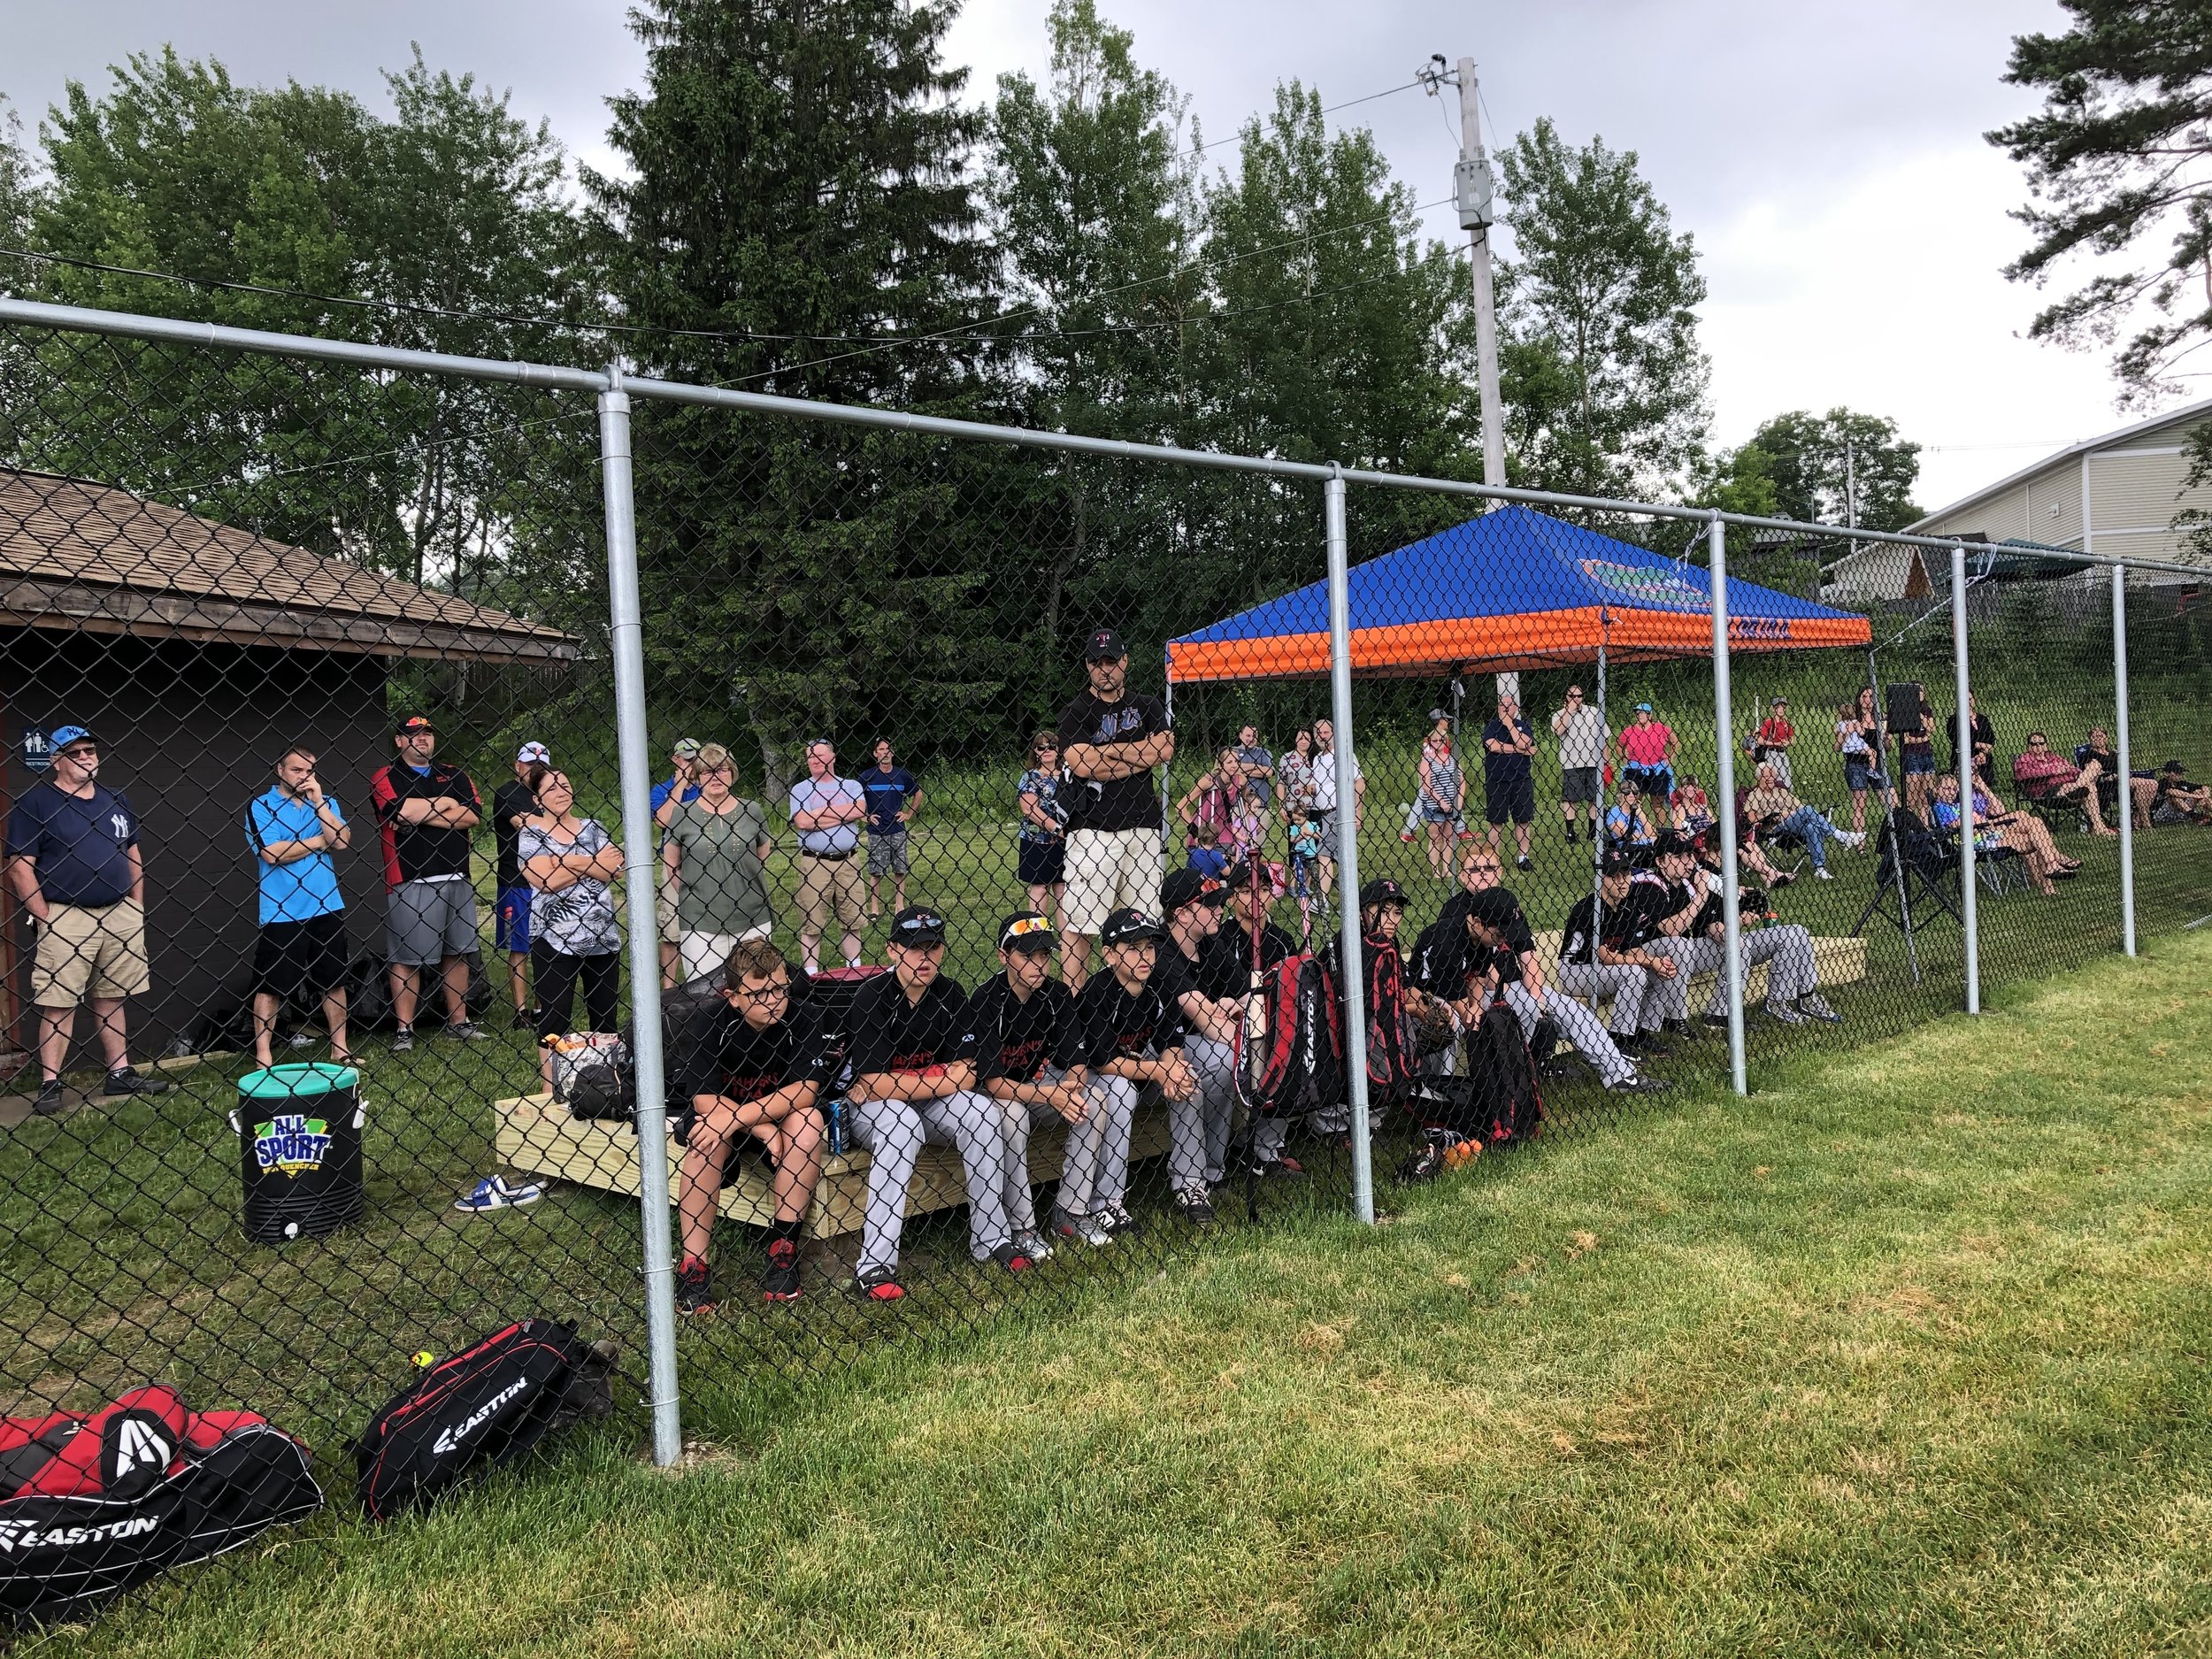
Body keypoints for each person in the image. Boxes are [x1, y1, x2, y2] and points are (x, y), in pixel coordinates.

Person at [845, 907, 1031, 1299]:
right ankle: (874, 1268)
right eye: (914, 948)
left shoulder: (950, 993)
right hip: (872, 1113)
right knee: (901, 1123)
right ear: (892, 950)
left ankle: (992, 1239)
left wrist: (902, 1083)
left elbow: (966, 1074)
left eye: (932, 948)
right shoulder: (870, 997)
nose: (924, 958)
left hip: (923, 1102)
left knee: (981, 1111)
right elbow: (870, 1085)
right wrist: (938, 1077)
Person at [4, 726, 174, 1116]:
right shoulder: (37, 804)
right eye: (75, 752)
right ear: (55, 761)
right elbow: (19, 867)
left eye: (90, 750)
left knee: (112, 996)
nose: (86, 757)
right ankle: (50, 1084)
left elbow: (133, 855)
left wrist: (136, 907)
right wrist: (46, 917)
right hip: (66, 914)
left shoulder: (117, 799)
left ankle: (120, 1073)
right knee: (59, 1001)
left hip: (118, 912)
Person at [1414, 853, 1667, 1095]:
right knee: (1480, 1016)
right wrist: (1486, 1003)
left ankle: (1618, 1074)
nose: (1483, 875)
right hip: (1470, 993)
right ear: (1462, 876)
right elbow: (1463, 976)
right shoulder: (1456, 913)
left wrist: (1538, 999)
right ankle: (1449, 1092)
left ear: (1500, 872)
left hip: (1505, 988)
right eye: (1474, 869)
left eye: (1489, 868)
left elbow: (1527, 959)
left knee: (1571, 1011)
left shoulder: (1508, 905)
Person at [672, 938, 830, 1314]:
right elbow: (706, 1101)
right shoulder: (709, 1019)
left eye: (780, 989)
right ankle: (694, 1266)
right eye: (759, 993)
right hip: (727, 1119)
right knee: (705, 1138)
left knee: (809, 1120)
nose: (773, 1000)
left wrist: (751, 1120)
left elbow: (803, 1092)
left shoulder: (804, 1016)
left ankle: (783, 1249)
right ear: (733, 997)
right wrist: (761, 1128)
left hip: (771, 1117)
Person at [1064, 907, 1194, 1241]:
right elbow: (1103, 1061)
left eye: (1149, 947)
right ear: (1108, 954)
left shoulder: (1161, 983)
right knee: (1121, 1092)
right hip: (1104, 1076)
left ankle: (1191, 1183)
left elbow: (1172, 1040)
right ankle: (1106, 1201)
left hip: (1146, 1069)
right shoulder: (1097, 991)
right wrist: (1163, 1070)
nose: (1144, 956)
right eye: (1132, 948)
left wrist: (1173, 1069)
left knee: (1189, 1080)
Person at [968, 912, 1087, 1266]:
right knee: (1013, 1115)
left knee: (1092, 1103)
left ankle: (1071, 1211)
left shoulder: (1057, 994)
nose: (1039, 964)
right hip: (996, 1095)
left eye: (1045, 956)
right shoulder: (987, 1000)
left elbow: (1076, 1059)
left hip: (1043, 1086)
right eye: (1027, 956)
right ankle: (1022, 1226)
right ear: (1003, 957)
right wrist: (1052, 1094)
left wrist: (1072, 1088)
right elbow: (993, 1083)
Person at [1058, 629, 1174, 989]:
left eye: (1111, 661)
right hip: (1092, 831)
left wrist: (1107, 752)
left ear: (1125, 661)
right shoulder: (1075, 711)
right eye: (1097, 663)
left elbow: (1165, 749)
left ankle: (1135, 1009)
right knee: (1081, 927)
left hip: (1143, 830)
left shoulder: (1149, 705)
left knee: (1143, 927)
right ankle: (1073, 1011)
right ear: (1088, 666)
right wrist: (1139, 753)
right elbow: (1081, 763)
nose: (1105, 669)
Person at [369, 716, 488, 1054]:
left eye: (427, 734)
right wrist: (447, 803)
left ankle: (459, 1022)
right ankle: (405, 1030)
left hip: (456, 875)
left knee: (459, 951)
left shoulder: (455, 773)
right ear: (399, 741)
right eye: (414, 735)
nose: (422, 739)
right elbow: (397, 812)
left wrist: (421, 812)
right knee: (407, 958)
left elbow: (473, 815)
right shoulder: (386, 775)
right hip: (410, 876)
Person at [1640, 834, 1840, 1028]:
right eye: (1678, 857)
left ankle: (1799, 997)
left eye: (1689, 855)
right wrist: (1725, 914)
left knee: (1797, 932)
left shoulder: (1700, 880)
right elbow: (1680, 928)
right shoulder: (1659, 884)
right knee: (1729, 944)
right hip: (1658, 953)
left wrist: (1742, 917)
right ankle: (1701, 1016)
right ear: (1661, 861)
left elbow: (1716, 923)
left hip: (1698, 948)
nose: (1687, 861)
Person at [244, 747, 354, 1071]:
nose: (304, 776)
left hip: (327, 905)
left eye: (310, 770)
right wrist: (319, 841)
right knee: (270, 985)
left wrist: (319, 802)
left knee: (333, 980)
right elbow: (273, 853)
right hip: (282, 911)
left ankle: (340, 1049)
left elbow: (343, 840)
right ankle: (264, 1056)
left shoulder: (326, 802)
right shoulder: (262, 806)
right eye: (297, 770)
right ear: (280, 770)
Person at [1152, 870, 1243, 1223]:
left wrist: (1233, 1007)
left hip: (1199, 1040)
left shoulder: (1208, 941)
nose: (1219, 910)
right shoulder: (1161, 950)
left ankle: (1213, 1170)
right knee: (1213, 1063)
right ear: (1182, 913)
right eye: (1208, 905)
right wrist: (1227, 1015)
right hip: (1157, 1047)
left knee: (1225, 1061)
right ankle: (1190, 1179)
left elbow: (1246, 991)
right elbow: (1204, 1018)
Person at [520, 769, 625, 1070]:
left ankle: (607, 1084)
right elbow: (545, 880)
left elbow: (614, 870)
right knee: (555, 1017)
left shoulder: (594, 827)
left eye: (565, 785)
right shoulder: (531, 835)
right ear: (537, 798)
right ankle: (550, 1090)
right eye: (551, 789)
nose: (560, 792)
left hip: (602, 938)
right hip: (553, 939)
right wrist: (593, 862)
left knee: (606, 1018)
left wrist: (565, 860)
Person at [664, 743, 774, 985]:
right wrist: (696, 892)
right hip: (700, 919)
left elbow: (762, 852)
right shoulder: (682, 813)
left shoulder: (751, 810)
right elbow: (672, 863)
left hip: (752, 914)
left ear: (732, 773)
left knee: (755, 986)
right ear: (698, 776)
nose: (715, 776)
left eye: (722, 769)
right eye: (707, 771)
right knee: (705, 991)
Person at [1556, 855, 1684, 1056]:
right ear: (1601, 879)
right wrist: (1650, 960)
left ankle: (1641, 1034)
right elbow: (1604, 956)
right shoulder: (1588, 908)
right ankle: (1618, 1039)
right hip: (1575, 971)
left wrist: (1657, 963)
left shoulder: (1627, 907)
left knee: (1660, 971)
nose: (1622, 881)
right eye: (1614, 876)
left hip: (1606, 972)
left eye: (1625, 874)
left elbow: (1633, 950)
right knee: (1635, 973)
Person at [788, 740, 868, 975]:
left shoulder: (851, 785)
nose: (814, 760)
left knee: (852, 920)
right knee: (811, 922)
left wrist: (818, 815)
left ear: (832, 758)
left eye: (820, 755)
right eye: (810, 757)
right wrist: (843, 814)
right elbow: (802, 822)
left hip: (849, 861)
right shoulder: (801, 789)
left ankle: (854, 970)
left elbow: (860, 810)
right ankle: (811, 974)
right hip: (815, 862)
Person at [492, 741, 551, 1029]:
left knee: (546, 943)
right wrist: (549, 818)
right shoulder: (507, 793)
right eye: (530, 765)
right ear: (518, 766)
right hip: (515, 880)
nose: (535, 771)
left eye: (541, 767)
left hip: (549, 879)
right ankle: (521, 1011)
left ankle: (543, 1006)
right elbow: (527, 825)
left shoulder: (550, 791)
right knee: (520, 947)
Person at [1744, 762, 1864, 878]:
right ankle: (1840, 836)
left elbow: (1801, 808)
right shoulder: (1755, 795)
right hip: (1774, 828)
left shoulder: (1782, 791)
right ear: (1759, 778)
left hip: (1794, 824)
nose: (1770, 778)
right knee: (1808, 810)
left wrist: (1793, 814)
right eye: (1766, 776)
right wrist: (1776, 815)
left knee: (1811, 826)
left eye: (1772, 775)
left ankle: (1820, 868)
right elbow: (1751, 818)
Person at [650, 739, 703, 988]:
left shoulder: (709, 786)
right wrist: (681, 783)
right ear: (676, 760)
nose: (693, 764)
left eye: (696, 759)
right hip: (675, 861)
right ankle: (668, 990)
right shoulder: (661, 790)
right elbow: (663, 820)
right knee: (672, 928)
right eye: (688, 760)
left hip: (706, 859)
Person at [861, 739, 923, 921]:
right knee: (876, 871)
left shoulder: (901, 775)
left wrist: (909, 813)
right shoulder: (867, 776)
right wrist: (864, 816)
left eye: (888, 749)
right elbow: (853, 797)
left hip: (897, 829)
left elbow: (918, 793)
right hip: (876, 831)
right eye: (881, 749)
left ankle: (899, 906)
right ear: (875, 754)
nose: (885, 752)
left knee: (900, 869)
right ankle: (874, 908)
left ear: (892, 753)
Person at [1017, 733, 1069, 927]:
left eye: (1052, 745)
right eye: (1041, 747)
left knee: (1062, 887)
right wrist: (1057, 828)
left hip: (1066, 841)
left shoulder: (1068, 774)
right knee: (1040, 887)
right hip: (1037, 840)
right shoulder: (1031, 776)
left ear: (1059, 749)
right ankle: (1039, 934)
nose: (1047, 750)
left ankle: (1066, 936)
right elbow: (1029, 809)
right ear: (1035, 752)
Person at [1481, 694, 1538, 871]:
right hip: (1497, 781)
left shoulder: (1524, 726)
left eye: (1509, 704)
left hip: (1521, 780)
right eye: (1502, 705)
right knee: (1496, 821)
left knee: (1522, 820)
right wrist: (1519, 749)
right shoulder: (1491, 726)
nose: (1505, 708)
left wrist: (1509, 724)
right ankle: (1493, 859)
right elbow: (1492, 746)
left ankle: (1523, 858)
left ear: (1516, 708)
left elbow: (1526, 742)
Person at [1551, 685, 1608, 845]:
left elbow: (1603, 737)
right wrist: (1569, 710)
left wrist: (1606, 760)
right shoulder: (1559, 714)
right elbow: (1558, 731)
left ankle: (1593, 831)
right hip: (1572, 763)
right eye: (1572, 696)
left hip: (1594, 761)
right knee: (1570, 799)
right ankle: (1570, 833)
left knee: (1595, 798)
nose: (1576, 699)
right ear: (1566, 697)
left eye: (1579, 696)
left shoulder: (1594, 712)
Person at [1175, 749, 1244, 862]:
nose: (1234, 765)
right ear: (1221, 765)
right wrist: (1196, 833)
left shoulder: (1238, 780)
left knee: (1224, 873)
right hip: (1204, 832)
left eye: (1236, 761)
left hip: (1224, 832)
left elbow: (1244, 786)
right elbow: (1180, 807)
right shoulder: (1208, 781)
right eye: (1229, 762)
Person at [1416, 726, 1466, 882]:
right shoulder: (1427, 760)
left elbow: (1462, 781)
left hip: (1452, 804)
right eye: (1434, 740)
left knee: (1450, 837)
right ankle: (1435, 870)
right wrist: (1440, 801)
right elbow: (1426, 784)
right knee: (1435, 837)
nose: (1438, 742)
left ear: (1446, 742)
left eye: (1441, 740)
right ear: (1430, 742)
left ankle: (1446, 868)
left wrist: (1459, 801)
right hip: (1434, 805)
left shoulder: (1453, 759)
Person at [1617, 703, 1676, 801]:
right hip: (1636, 769)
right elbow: (1618, 745)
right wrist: (1623, 757)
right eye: (1638, 712)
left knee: (1658, 803)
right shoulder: (1629, 731)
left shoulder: (1659, 728)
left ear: (1650, 715)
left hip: (1658, 768)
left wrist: (1671, 757)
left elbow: (1675, 741)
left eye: (1643, 713)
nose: (1640, 715)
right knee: (1634, 801)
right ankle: (1634, 816)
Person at [1836, 696, 1878, 834]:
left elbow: (1838, 739)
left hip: (1849, 749)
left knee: (1858, 804)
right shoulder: (1855, 722)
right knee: (1873, 753)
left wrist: (1845, 733)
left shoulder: (1840, 725)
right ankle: (1872, 770)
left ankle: (1860, 842)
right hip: (1858, 750)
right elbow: (1862, 733)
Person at [1286, 804, 1325, 939]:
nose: (1296, 822)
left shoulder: (1312, 824)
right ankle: (1292, 887)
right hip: (1299, 852)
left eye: (1298, 820)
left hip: (1311, 852)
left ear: (1305, 817)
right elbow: (1292, 840)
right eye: (1294, 820)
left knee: (1309, 871)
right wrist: (1300, 837)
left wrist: (1309, 833)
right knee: (1297, 869)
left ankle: (1307, 887)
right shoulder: (1295, 828)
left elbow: (1319, 836)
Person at [1900, 693, 1937, 823]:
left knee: (1925, 797)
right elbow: (1904, 739)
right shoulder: (1904, 711)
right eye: (1916, 691)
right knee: (1912, 798)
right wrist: (1923, 738)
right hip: (1911, 755)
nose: (1919, 694)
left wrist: (1920, 715)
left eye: (1922, 691)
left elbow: (1931, 728)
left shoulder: (1926, 711)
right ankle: (1909, 825)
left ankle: (1924, 827)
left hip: (1926, 754)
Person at [1952, 695, 1997, 794]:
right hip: (1964, 758)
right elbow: (1958, 740)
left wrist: (1982, 753)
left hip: (1984, 761)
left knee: (1985, 792)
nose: (1968, 702)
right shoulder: (1954, 720)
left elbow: (1990, 740)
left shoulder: (1983, 719)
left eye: (1970, 699)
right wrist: (1981, 745)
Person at [1604, 780, 1659, 859]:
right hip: (1630, 849)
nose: (1631, 795)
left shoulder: (1637, 811)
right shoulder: (1614, 813)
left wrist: (1639, 811)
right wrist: (1646, 836)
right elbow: (1627, 836)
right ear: (1619, 795)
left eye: (1635, 792)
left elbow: (1653, 832)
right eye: (1627, 792)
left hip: (1647, 844)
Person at [1276, 727, 1317, 822]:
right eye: (1301, 738)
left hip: (1314, 807)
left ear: (1311, 740)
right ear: (1295, 739)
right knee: (1295, 835)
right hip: (1293, 807)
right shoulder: (1286, 758)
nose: (1303, 741)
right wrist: (1281, 806)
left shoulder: (1317, 758)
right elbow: (1281, 783)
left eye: (1307, 738)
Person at [1755, 697, 1796, 790]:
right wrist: (1776, 743)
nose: (1781, 709)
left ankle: (1787, 792)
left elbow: (1792, 739)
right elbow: (1760, 741)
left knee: (1787, 775)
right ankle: (1779, 792)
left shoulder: (1786, 723)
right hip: (1772, 752)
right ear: (1774, 709)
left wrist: (1787, 743)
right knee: (1777, 775)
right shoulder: (1769, 722)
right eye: (1778, 707)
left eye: (1783, 707)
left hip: (1782, 752)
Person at [1233, 725, 1275, 813]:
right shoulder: (1233, 752)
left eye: (1254, 736)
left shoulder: (1264, 752)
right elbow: (1230, 770)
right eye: (1248, 735)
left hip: (1260, 804)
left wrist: (1241, 771)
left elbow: (1268, 772)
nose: (1252, 739)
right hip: (1237, 804)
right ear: (1241, 736)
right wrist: (1255, 766)